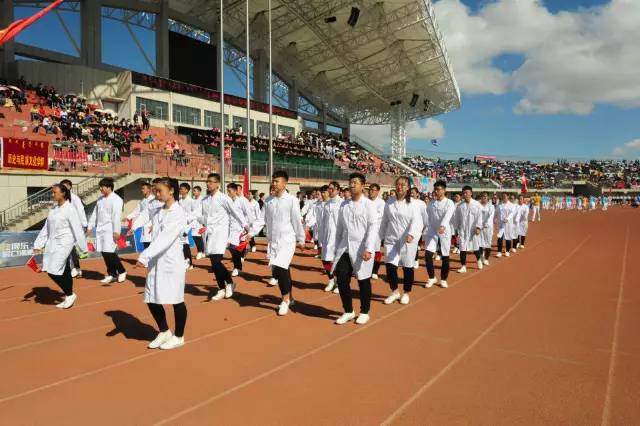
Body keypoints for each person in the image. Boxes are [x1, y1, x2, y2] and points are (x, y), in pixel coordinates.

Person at [136, 177, 188, 350]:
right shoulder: (158, 209)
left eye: (159, 191)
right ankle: (164, 331)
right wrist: (133, 225)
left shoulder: (178, 213)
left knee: (176, 299)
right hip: (156, 261)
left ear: (171, 190)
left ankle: (179, 336)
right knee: (151, 297)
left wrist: (145, 256)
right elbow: (144, 213)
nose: (156, 194)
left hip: (171, 262)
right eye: (155, 190)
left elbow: (165, 239)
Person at [332, 173, 381, 325]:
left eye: (355, 182)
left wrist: (368, 248)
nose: (352, 185)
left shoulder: (369, 205)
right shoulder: (344, 205)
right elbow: (339, 228)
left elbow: (373, 228)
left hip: (362, 248)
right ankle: (348, 311)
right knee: (341, 277)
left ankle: (364, 311)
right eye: (350, 182)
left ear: (362, 185)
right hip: (345, 247)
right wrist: (336, 247)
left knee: (363, 280)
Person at [33, 184, 88, 309]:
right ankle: (69, 295)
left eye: (54, 192)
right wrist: (38, 244)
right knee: (63, 270)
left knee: (53, 270)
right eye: (52, 192)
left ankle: (70, 294)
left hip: (64, 243)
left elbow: (77, 230)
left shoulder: (70, 209)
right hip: (52, 243)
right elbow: (45, 229)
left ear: (63, 193)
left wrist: (83, 248)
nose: (52, 195)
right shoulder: (53, 210)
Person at [198, 174, 247, 301]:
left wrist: (245, 225)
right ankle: (222, 288)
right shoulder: (205, 200)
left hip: (221, 234)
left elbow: (235, 212)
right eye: (207, 181)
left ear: (218, 184)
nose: (208, 184)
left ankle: (229, 283)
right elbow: (203, 216)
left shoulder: (224, 198)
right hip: (209, 234)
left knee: (216, 261)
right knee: (214, 264)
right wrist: (194, 221)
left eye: (211, 182)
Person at [263, 170, 306, 316]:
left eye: (277, 181)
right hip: (274, 241)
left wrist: (301, 239)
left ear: (285, 183)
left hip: (287, 240)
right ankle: (291, 298)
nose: (274, 183)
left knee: (280, 269)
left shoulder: (291, 200)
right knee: (282, 270)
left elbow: (296, 220)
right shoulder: (268, 201)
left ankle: (285, 300)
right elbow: (262, 219)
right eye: (273, 181)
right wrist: (250, 232)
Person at [379, 176, 422, 305]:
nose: (400, 187)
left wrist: (412, 234)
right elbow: (384, 221)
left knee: (407, 267)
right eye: (398, 184)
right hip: (391, 238)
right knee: (390, 266)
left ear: (408, 187)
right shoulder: (390, 202)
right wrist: (380, 237)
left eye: (403, 185)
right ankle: (395, 291)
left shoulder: (413, 203)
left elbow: (417, 221)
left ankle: (406, 292)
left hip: (407, 240)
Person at [87, 177, 126, 284]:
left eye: (102, 187)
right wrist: (90, 226)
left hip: (110, 229)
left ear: (109, 187)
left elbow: (116, 216)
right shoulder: (100, 200)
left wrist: (116, 231)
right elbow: (94, 213)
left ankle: (122, 271)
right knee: (104, 252)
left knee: (110, 252)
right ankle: (112, 274)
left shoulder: (117, 199)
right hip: (100, 229)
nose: (100, 189)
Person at [423, 180, 455, 288]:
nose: (436, 191)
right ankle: (432, 277)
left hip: (444, 231)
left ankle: (443, 279)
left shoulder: (449, 203)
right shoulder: (431, 203)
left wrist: (443, 226)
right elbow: (427, 217)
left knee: (445, 255)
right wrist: (424, 227)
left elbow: (448, 215)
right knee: (427, 255)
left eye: (438, 189)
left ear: (444, 190)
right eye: (435, 189)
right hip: (432, 230)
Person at [60, 179, 87, 278]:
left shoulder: (75, 198)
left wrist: (84, 224)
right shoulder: (62, 198)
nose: (63, 188)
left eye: (65, 186)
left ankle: (76, 268)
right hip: (65, 227)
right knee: (68, 249)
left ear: (70, 187)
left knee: (73, 249)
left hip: (75, 227)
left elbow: (81, 210)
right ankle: (74, 269)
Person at [318, 181, 342, 293]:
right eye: (329, 189)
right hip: (327, 235)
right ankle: (332, 279)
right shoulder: (326, 204)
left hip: (337, 237)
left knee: (336, 261)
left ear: (338, 190)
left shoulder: (342, 203)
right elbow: (323, 223)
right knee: (325, 259)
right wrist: (321, 238)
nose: (330, 191)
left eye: (332, 189)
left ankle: (339, 284)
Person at [226, 183, 255, 277]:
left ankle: (237, 267)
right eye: (227, 191)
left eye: (229, 191)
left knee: (236, 249)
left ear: (235, 191)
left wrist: (248, 227)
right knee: (232, 249)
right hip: (230, 228)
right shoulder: (229, 201)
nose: (228, 193)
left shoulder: (242, 201)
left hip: (240, 229)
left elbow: (249, 214)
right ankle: (238, 266)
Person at [126, 182, 155, 250]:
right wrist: (128, 217)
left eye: (143, 188)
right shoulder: (142, 201)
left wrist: (154, 224)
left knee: (152, 247)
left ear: (149, 189)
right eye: (141, 189)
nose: (142, 190)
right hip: (144, 225)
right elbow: (137, 211)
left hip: (152, 226)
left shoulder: (153, 200)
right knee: (146, 246)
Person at [178, 183, 198, 271]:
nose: (181, 190)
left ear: (186, 190)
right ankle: (185, 261)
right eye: (180, 189)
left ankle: (189, 263)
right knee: (181, 244)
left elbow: (195, 214)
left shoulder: (191, 201)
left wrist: (190, 226)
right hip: (180, 224)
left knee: (185, 243)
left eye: (182, 189)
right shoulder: (179, 201)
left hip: (187, 225)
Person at [369, 183, 386, 280]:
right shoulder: (366, 201)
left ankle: (375, 270)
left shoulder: (381, 202)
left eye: (373, 190)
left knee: (376, 251)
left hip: (376, 231)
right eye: (370, 189)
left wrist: (370, 218)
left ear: (378, 191)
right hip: (366, 230)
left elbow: (379, 215)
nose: (371, 191)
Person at [495, 193, 517, 257]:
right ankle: (499, 252)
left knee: (508, 238)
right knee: (499, 237)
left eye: (505, 196)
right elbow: (496, 213)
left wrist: (507, 218)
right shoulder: (499, 205)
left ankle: (507, 251)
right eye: (503, 196)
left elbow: (512, 213)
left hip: (508, 224)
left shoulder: (511, 205)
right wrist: (494, 219)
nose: (504, 197)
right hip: (501, 224)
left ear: (508, 196)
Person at [478, 193, 495, 265]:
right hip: (479, 227)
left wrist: (485, 224)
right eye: (482, 196)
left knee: (488, 243)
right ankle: (481, 256)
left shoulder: (491, 206)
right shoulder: (478, 205)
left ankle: (486, 258)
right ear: (481, 197)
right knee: (480, 243)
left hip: (488, 227)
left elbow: (491, 216)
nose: (484, 197)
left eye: (485, 196)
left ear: (488, 198)